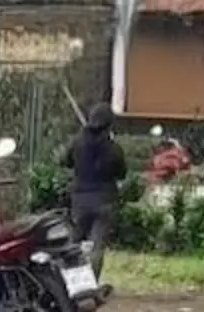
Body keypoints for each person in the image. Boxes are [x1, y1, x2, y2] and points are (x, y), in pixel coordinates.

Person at [60, 103, 127, 279]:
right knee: (97, 246)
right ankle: (91, 283)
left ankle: (70, 281)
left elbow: (65, 161)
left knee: (74, 243)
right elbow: (122, 174)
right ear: (110, 124)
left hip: (80, 200)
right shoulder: (113, 148)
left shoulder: (78, 142)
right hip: (105, 201)